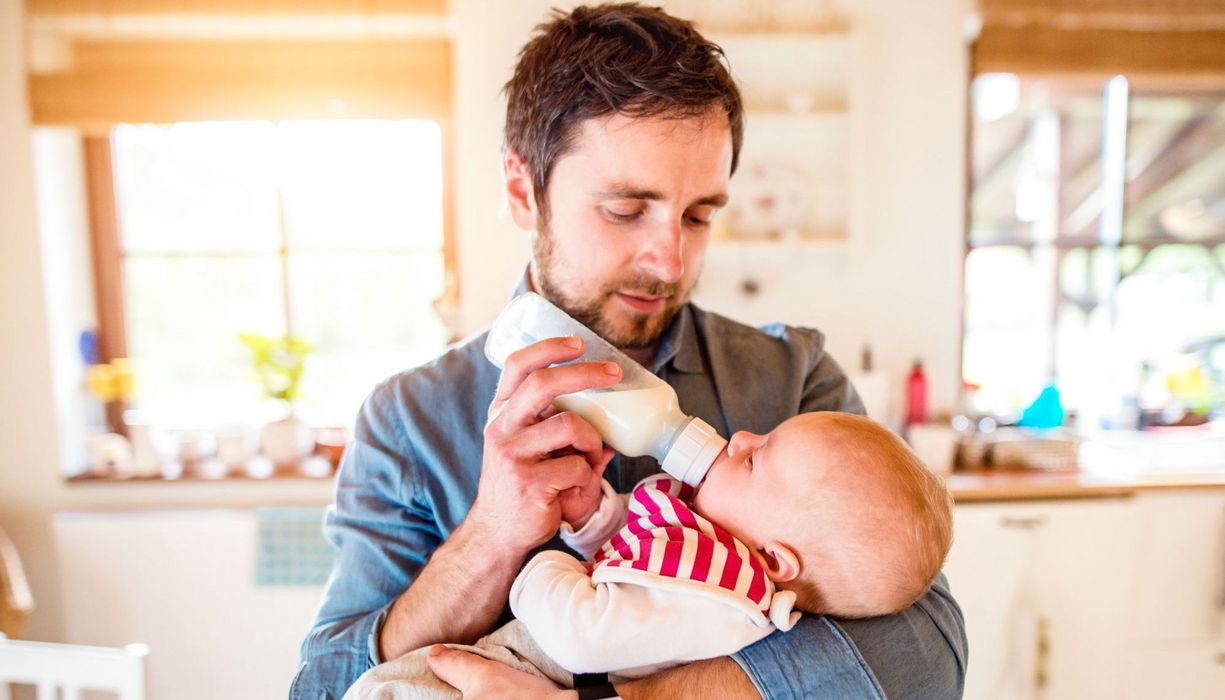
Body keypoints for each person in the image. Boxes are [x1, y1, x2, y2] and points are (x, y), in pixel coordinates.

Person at [291, 4, 967, 699]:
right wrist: (489, 539)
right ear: (524, 191)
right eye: (623, 209)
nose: (670, 261)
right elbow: (320, 688)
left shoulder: (789, 381)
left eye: (699, 215)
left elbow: (924, 656)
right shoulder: (409, 420)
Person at [340, 412, 955, 699]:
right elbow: (635, 563)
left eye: (754, 457)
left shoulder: (721, 600)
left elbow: (589, 632)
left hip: (531, 670)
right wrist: (591, 520)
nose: (737, 436)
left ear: (772, 560)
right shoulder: (712, 544)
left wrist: (544, 567)